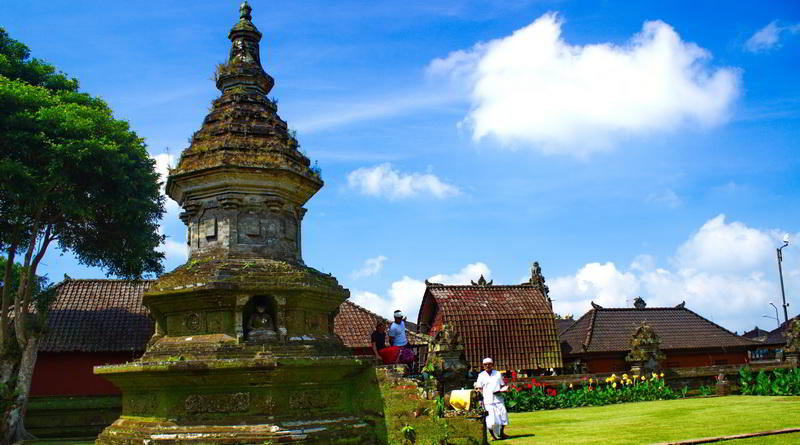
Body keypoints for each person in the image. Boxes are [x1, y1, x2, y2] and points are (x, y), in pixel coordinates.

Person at [475, 357, 509, 440]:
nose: (487, 366)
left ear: (492, 364)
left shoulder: (497, 373)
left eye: (489, 364)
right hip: (487, 400)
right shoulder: (481, 375)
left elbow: (502, 385)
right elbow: (479, 388)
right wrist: (482, 398)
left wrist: (504, 389)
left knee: (503, 415)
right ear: (483, 366)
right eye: (485, 364)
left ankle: (501, 433)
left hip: (498, 398)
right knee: (490, 419)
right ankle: (493, 436)